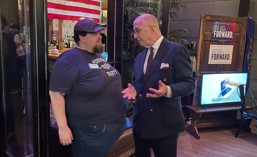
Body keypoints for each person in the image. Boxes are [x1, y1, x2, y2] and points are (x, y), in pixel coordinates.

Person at [49, 19, 127, 157]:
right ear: (81, 37)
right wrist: (63, 127)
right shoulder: (69, 59)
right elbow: (56, 93)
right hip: (92, 131)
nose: (100, 36)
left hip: (113, 124)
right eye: (95, 33)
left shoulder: (96, 55)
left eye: (100, 32)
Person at [122, 13, 195, 157]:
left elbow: (189, 84)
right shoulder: (139, 57)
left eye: (137, 30)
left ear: (152, 28)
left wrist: (167, 90)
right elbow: (139, 83)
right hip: (141, 123)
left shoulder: (176, 51)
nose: (135, 36)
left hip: (165, 125)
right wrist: (134, 90)